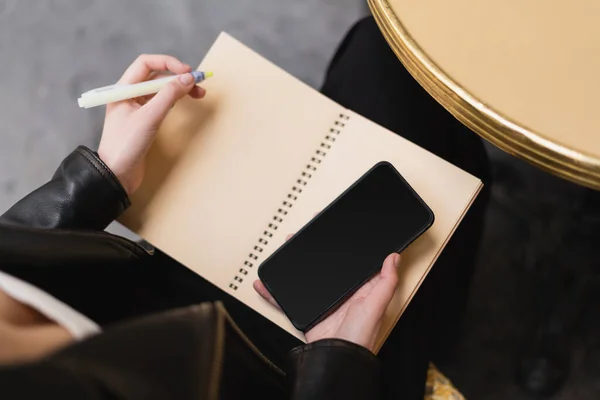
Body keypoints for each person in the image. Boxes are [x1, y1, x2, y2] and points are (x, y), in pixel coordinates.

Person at [0, 17, 490, 400]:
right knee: (419, 102)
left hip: (169, 280)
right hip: (293, 374)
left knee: (384, 54)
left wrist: (97, 178)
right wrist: (336, 364)